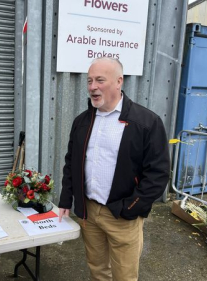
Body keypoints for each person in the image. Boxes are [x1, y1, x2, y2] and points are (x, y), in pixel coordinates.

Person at [58, 57, 170, 281]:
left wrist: (130, 208)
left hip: (122, 216)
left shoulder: (146, 122)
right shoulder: (82, 121)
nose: (92, 87)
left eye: (100, 80)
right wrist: (65, 200)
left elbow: (158, 174)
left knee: (124, 277)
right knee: (98, 271)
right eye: (89, 81)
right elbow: (71, 162)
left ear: (119, 81)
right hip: (89, 212)